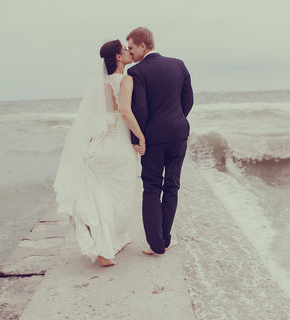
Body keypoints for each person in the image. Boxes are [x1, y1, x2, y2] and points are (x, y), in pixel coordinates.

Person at [53, 39, 146, 267]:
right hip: (119, 146)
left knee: (99, 194)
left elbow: (96, 118)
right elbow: (125, 111)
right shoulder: (125, 79)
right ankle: (108, 246)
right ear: (117, 56)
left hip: (100, 145)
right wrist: (141, 136)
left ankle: (108, 242)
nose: (127, 52)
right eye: (124, 50)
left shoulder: (100, 84)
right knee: (121, 198)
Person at [126, 27, 193, 255]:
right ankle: (165, 239)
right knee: (172, 185)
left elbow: (140, 109)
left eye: (132, 47)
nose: (130, 52)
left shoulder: (137, 72)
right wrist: (176, 120)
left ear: (144, 45)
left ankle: (157, 245)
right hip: (178, 133)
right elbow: (188, 100)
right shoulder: (179, 64)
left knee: (151, 188)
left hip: (154, 139)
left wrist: (137, 138)